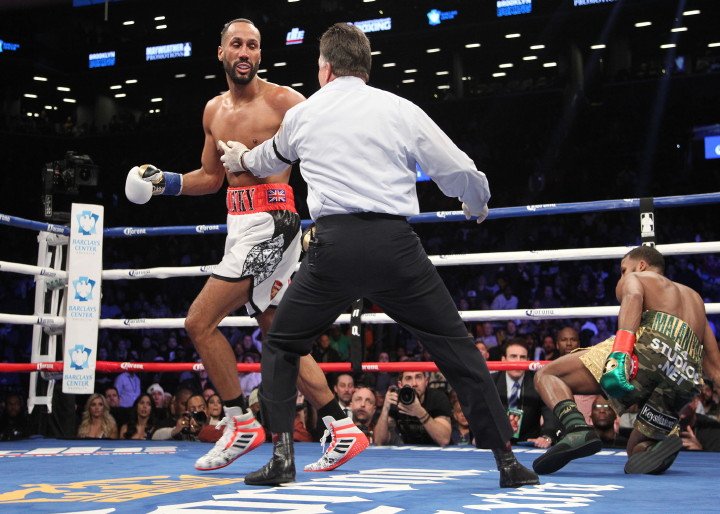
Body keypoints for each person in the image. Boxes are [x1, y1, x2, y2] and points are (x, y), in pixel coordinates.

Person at [221, 22, 539, 488]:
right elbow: (457, 168)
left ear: (326, 68)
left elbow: (268, 159)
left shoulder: (306, 114)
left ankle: (283, 458)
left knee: (283, 343)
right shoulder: (398, 108)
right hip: (395, 249)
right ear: (365, 67)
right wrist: (476, 203)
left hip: (334, 250)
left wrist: (240, 161)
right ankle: (508, 462)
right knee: (457, 350)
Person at [123, 18, 365, 472]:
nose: (245, 52)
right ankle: (342, 425)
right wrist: (164, 183)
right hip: (239, 223)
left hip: (274, 221)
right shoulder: (213, 111)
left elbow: (328, 148)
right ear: (221, 52)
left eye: (253, 46)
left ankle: (240, 422)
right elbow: (212, 178)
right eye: (236, 44)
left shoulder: (286, 102)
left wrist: (329, 214)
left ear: (259, 55)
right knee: (277, 329)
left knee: (199, 320)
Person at [533, 246, 720, 475]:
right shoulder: (696, 299)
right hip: (684, 379)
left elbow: (633, 296)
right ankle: (655, 444)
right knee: (635, 450)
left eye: (623, 269)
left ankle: (576, 428)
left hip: (649, 353)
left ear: (641, 265)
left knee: (547, 375)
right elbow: (714, 368)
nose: (623, 276)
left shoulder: (638, 277)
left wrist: (620, 354)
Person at [491, 340, 560, 448]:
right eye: (513, 356)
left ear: (528, 360)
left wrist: (546, 437)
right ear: (503, 359)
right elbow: (481, 411)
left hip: (530, 443)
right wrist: (482, 435)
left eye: (522, 357)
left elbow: (549, 412)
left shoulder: (538, 381)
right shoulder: (492, 382)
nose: (518, 361)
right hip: (497, 442)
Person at [374, 371, 452, 447]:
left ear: (426, 381)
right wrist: (385, 408)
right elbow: (379, 441)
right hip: (408, 453)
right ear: (400, 384)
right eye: (408, 378)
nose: (414, 384)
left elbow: (444, 440)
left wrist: (420, 412)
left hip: (438, 454)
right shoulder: (396, 399)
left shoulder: (437, 398)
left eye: (418, 377)